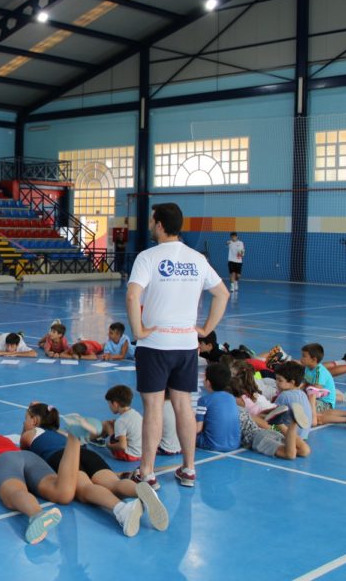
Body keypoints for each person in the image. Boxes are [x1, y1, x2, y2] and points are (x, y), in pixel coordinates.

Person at [126, 202, 230, 489]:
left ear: (159, 224)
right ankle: (188, 468)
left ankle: (147, 472)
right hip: (186, 345)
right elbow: (222, 294)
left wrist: (138, 330)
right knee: (184, 406)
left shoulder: (148, 258)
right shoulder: (197, 258)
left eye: (151, 221)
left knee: (154, 407)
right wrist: (206, 329)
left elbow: (133, 296)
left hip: (155, 344)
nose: (149, 225)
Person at [21, 402, 169, 537]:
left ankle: (121, 509)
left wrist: (25, 426)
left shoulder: (30, 433)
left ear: (34, 421)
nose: (24, 422)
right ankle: (141, 491)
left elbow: (23, 448)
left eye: (26, 418)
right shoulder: (63, 434)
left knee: (85, 488)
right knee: (113, 483)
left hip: (63, 458)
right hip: (86, 453)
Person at [0, 414, 102, 544]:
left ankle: (37, 514)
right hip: (27, 456)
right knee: (62, 493)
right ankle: (74, 439)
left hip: (2, 460)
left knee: (15, 492)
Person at [300, 344, 346, 431]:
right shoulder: (308, 368)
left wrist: (312, 414)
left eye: (304, 356)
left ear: (314, 359)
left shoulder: (319, 372)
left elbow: (314, 394)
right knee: (317, 411)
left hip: (323, 401)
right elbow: (306, 383)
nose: (301, 358)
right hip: (323, 401)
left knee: (316, 417)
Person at [195, 363, 241, 452]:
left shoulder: (204, 400)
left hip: (211, 444)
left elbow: (197, 429)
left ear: (208, 383)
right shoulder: (231, 398)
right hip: (234, 444)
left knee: (183, 428)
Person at [100, 385, 143, 462]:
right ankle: (100, 437)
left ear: (115, 404)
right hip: (141, 452)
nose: (109, 406)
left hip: (129, 455)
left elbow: (122, 446)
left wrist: (108, 445)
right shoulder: (136, 414)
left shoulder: (121, 421)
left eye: (109, 404)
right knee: (113, 423)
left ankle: (98, 438)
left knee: (106, 424)